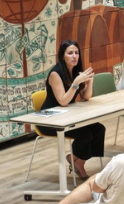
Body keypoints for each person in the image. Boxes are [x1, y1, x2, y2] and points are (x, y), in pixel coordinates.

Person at [38, 40, 103, 179]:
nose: (74, 56)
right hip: (49, 120)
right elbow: (63, 101)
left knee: (98, 129)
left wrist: (90, 81)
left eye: (76, 53)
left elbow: (86, 97)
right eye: (70, 53)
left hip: (66, 116)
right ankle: (76, 161)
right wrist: (76, 83)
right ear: (62, 56)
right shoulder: (55, 74)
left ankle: (78, 161)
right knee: (85, 133)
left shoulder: (74, 71)